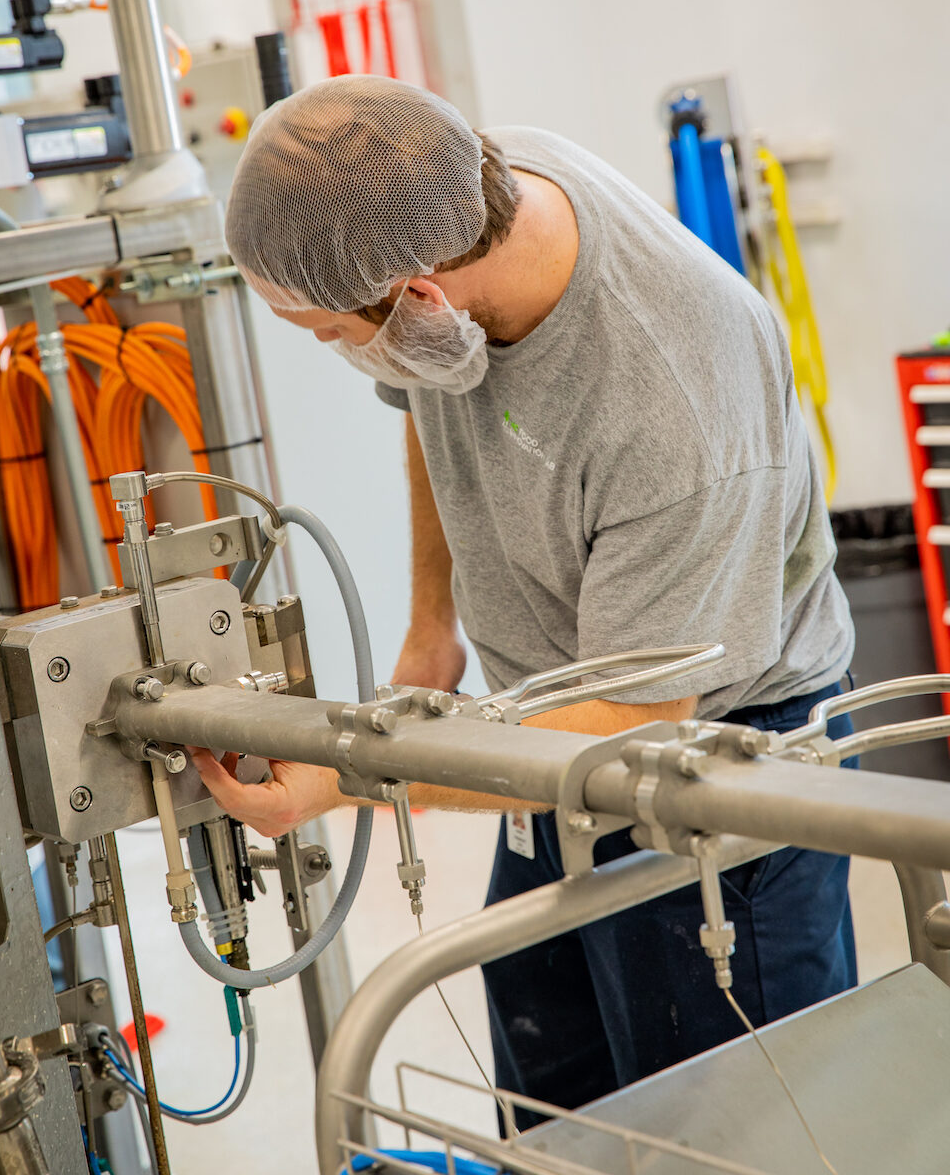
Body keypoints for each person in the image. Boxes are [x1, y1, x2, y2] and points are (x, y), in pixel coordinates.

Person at [194, 73, 857, 1124]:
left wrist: (357, 778)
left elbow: (639, 723)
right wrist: (429, 625)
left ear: (421, 295)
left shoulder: (675, 407)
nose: (331, 347)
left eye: (326, 331)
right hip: (543, 723)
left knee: (722, 1128)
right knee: (557, 1105)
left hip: (707, 758)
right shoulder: (458, 192)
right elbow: (426, 390)